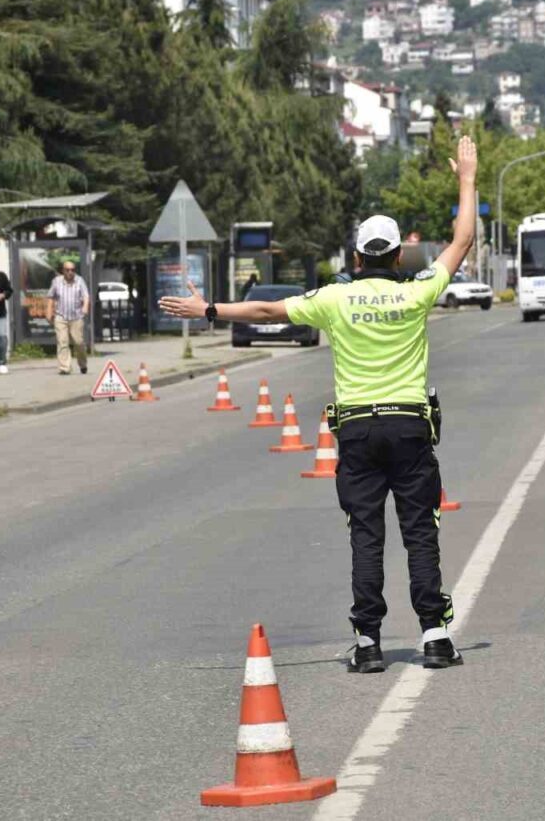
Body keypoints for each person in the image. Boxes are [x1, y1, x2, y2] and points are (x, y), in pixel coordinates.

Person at [160, 136, 479, 674]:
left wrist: (209, 307)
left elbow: (266, 308)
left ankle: (369, 643)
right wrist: (466, 178)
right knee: (420, 529)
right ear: (398, 255)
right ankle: (435, 635)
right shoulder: (416, 292)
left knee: (366, 534)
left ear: (356, 257)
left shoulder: (334, 298)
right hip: (409, 427)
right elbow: (463, 239)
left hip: (356, 431)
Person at [46, 259, 90, 375]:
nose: (70, 272)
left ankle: (83, 364)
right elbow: (50, 297)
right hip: (61, 316)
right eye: (68, 270)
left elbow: (86, 296)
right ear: (63, 271)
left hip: (76, 316)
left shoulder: (80, 281)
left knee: (79, 342)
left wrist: (85, 307)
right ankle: (65, 367)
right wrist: (49, 312)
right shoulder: (56, 281)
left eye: (72, 270)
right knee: (62, 342)